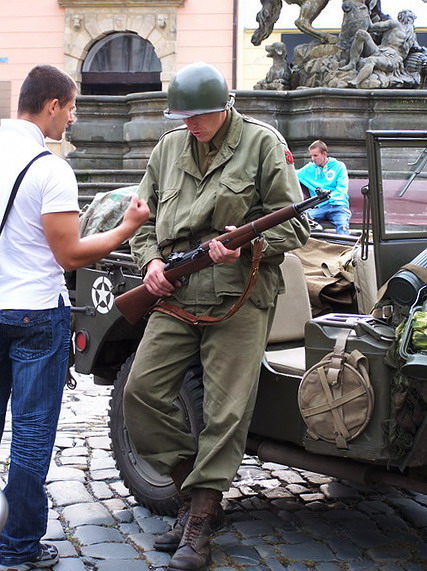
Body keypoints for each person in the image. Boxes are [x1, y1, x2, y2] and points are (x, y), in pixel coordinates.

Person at [123, 61, 309, 571]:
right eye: (183, 117)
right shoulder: (168, 149)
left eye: (199, 116)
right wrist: (151, 262)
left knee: (227, 413)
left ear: (224, 107)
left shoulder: (262, 144)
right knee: (141, 392)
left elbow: (297, 228)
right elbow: (142, 220)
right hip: (177, 290)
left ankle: (201, 518)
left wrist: (247, 245)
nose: (191, 125)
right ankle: (190, 492)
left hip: (239, 295)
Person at [0, 65, 149, 570]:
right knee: (31, 432)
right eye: (71, 108)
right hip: (35, 314)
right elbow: (69, 255)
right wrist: (127, 227)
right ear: (51, 106)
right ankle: (18, 544)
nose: (72, 119)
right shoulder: (51, 169)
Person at [297, 140, 351, 234]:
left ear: (324, 154)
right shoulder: (309, 168)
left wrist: (328, 198)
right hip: (319, 207)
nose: (313, 159)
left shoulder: (339, 166)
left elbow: (342, 188)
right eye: (311, 156)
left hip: (338, 205)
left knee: (343, 227)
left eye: (315, 155)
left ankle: (345, 243)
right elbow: (291, 175)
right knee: (302, 221)